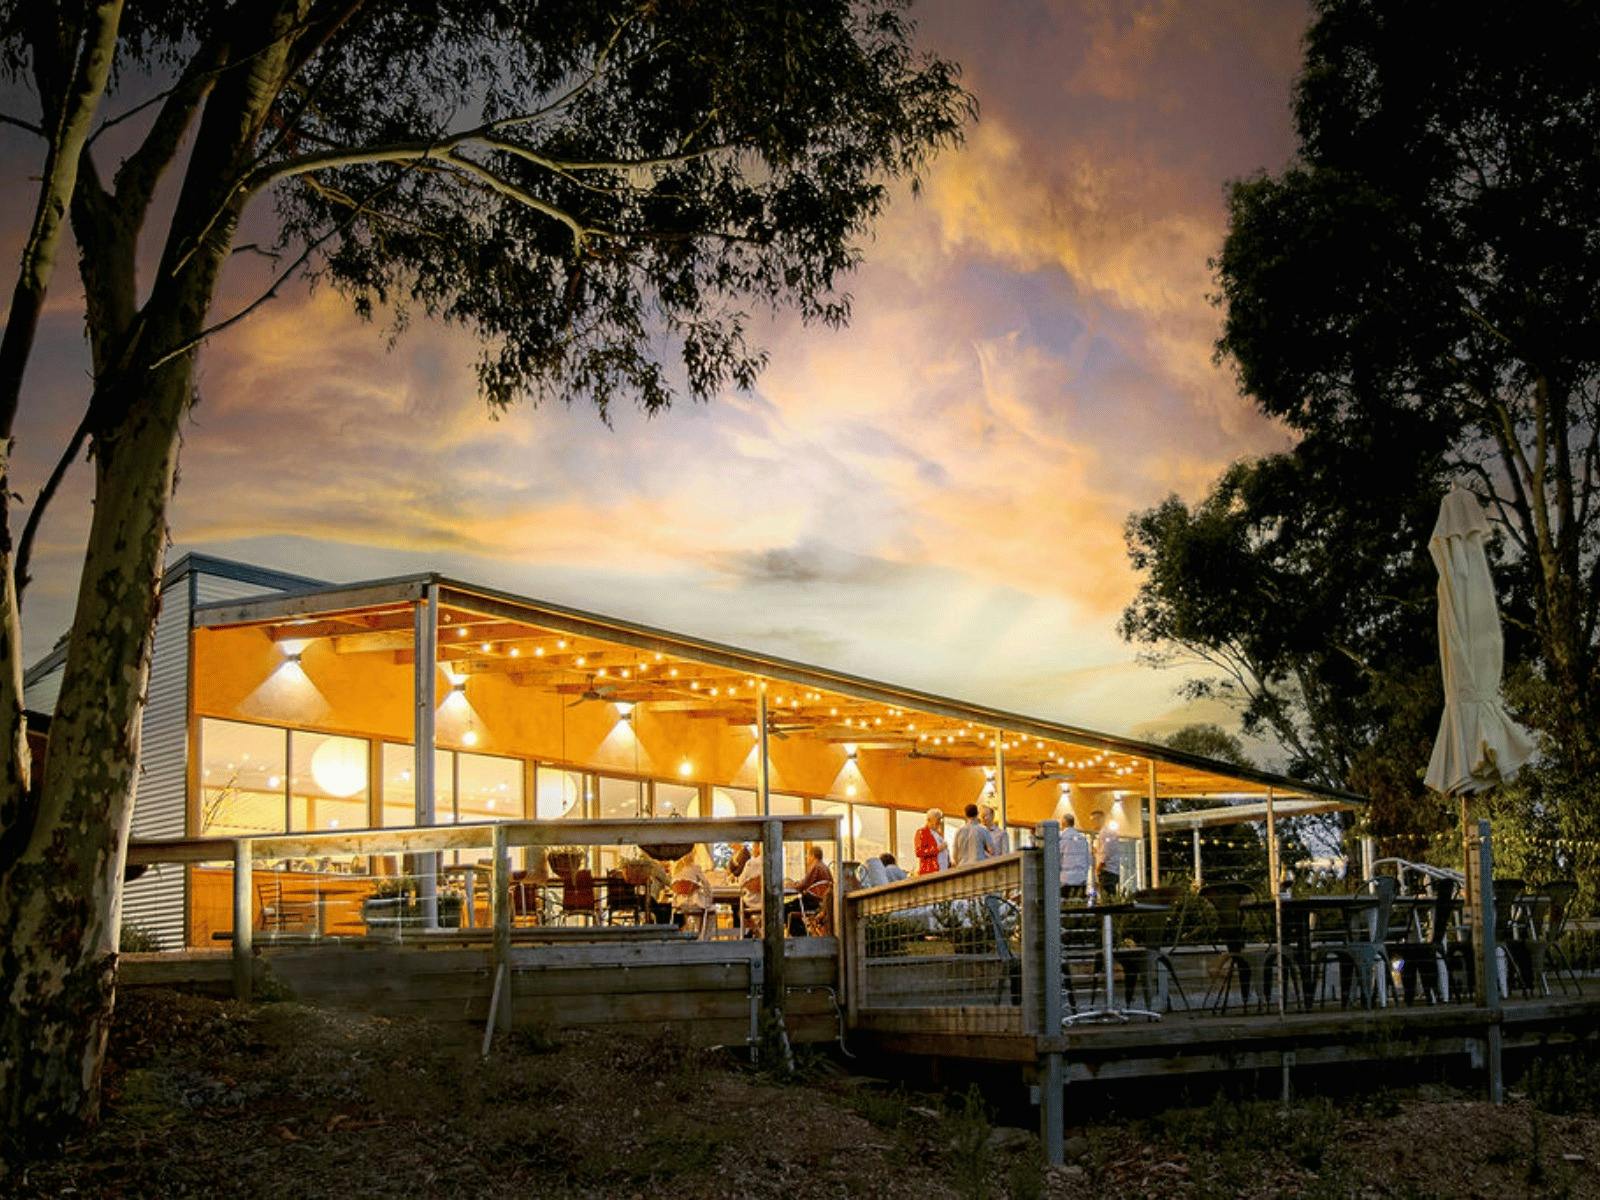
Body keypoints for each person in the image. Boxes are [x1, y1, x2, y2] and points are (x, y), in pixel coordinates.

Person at [785, 844, 833, 935]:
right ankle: (803, 933)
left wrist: (790, 885)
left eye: (808, 855)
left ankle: (800, 935)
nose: (807, 858)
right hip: (821, 903)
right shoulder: (825, 867)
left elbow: (804, 884)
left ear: (812, 855)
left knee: (785, 908)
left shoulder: (815, 867)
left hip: (810, 902)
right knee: (791, 906)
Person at [669, 852, 712, 931]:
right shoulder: (695, 868)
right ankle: (701, 933)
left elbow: (671, 884)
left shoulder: (674, 868)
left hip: (678, 903)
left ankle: (684, 929)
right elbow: (706, 883)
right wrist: (709, 895)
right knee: (706, 907)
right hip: (692, 902)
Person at [1059, 812, 1091, 898]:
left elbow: (1057, 858)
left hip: (1066, 880)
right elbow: (1088, 860)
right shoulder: (1082, 839)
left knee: (1066, 908)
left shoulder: (1061, 838)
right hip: (1081, 880)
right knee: (1080, 907)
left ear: (1063, 823)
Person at [950, 803, 987, 868]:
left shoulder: (959, 831)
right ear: (977, 814)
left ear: (965, 815)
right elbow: (992, 850)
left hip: (963, 867)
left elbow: (954, 854)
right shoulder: (983, 830)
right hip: (979, 867)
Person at [913, 808, 948, 874]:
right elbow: (919, 852)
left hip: (943, 871)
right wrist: (937, 849)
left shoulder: (938, 833)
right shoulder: (922, 832)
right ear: (929, 820)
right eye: (937, 818)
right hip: (931, 872)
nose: (940, 821)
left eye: (940, 818)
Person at [1095, 817, 1121, 898]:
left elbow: (1106, 850)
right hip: (1113, 871)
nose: (1093, 823)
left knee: (1107, 898)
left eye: (1094, 820)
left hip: (1107, 871)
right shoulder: (1111, 832)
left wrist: (1099, 866)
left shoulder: (1104, 832)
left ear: (1099, 819)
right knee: (1111, 897)